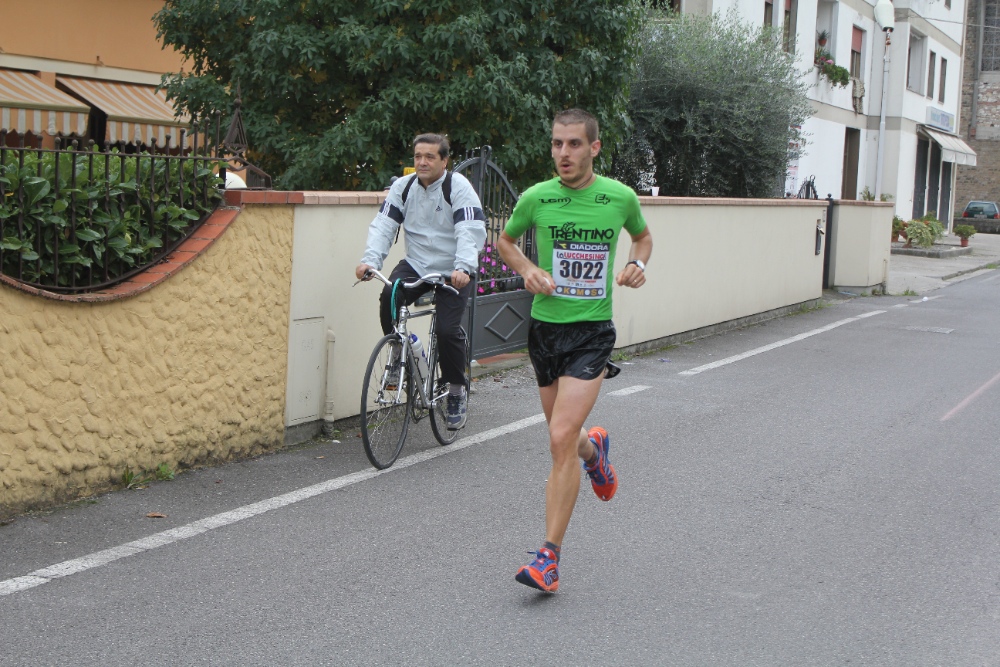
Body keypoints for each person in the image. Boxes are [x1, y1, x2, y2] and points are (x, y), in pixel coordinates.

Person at [497, 109, 653, 592]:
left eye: (573, 144)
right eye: (557, 144)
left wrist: (637, 264)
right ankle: (595, 452)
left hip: (591, 332)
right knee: (566, 439)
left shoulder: (619, 197)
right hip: (545, 332)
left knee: (559, 435)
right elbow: (505, 241)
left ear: (594, 148)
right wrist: (527, 268)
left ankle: (548, 559)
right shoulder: (536, 198)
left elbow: (643, 238)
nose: (563, 153)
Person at [356, 134, 486, 429]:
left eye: (429, 156)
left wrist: (463, 267)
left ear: (444, 161)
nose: (422, 162)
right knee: (389, 294)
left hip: (453, 268)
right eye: (418, 156)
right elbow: (384, 225)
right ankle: (399, 350)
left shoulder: (458, 187)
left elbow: (469, 229)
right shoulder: (403, 188)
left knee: (447, 330)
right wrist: (370, 261)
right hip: (417, 264)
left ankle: (455, 390)